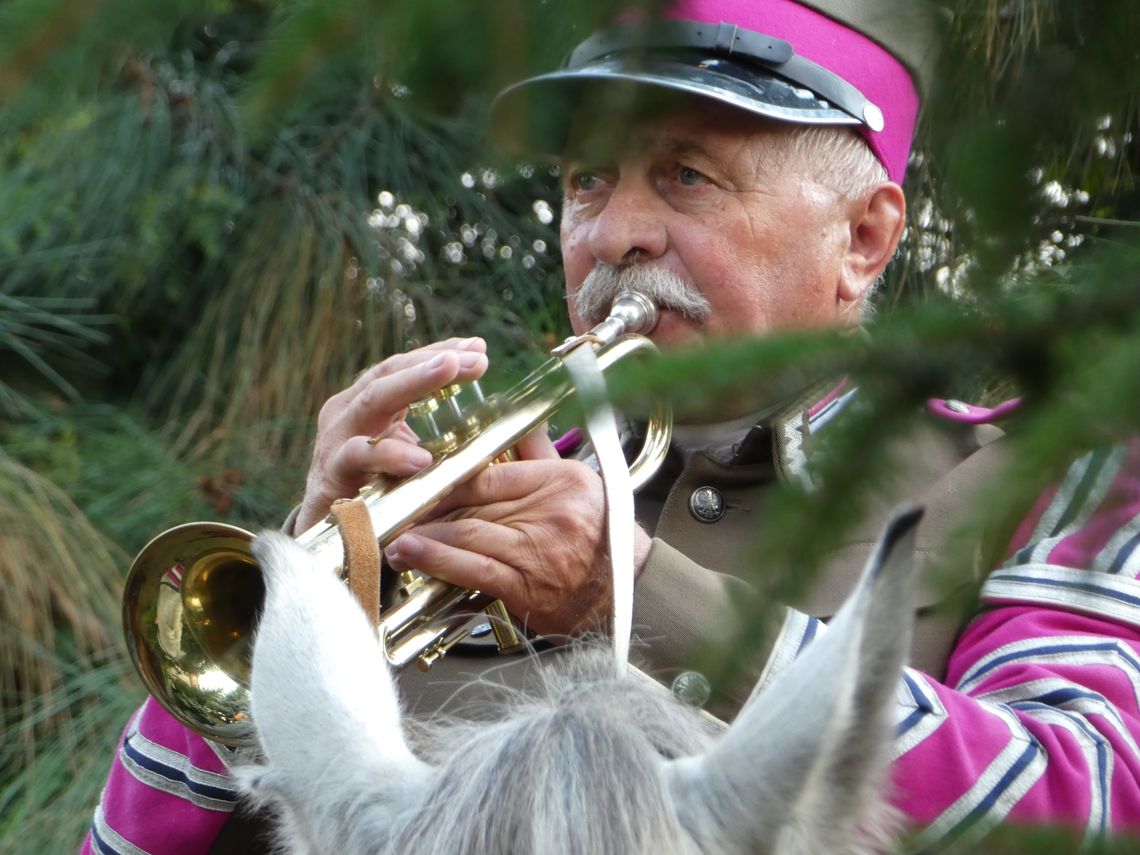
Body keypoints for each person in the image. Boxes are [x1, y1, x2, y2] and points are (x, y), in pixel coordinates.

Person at [85, 1, 1140, 852]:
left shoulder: (1047, 486)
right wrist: (298, 595)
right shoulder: (460, 516)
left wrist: (638, 590)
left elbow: (1085, 805)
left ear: (862, 240)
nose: (614, 234)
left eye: (686, 175)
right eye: (589, 180)